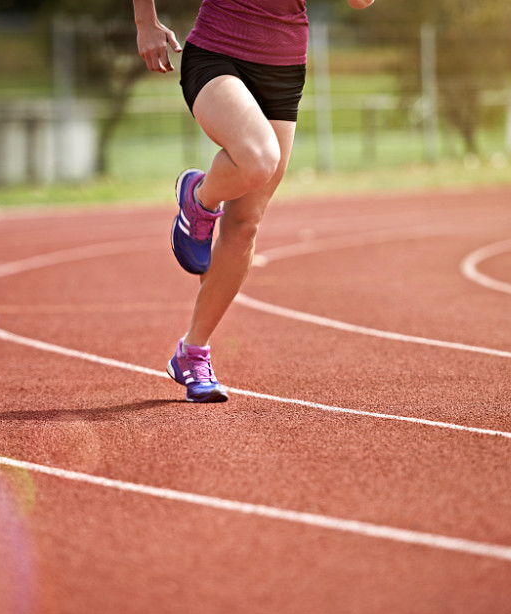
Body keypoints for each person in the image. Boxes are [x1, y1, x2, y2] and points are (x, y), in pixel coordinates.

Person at [133, 0, 375, 402]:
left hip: (283, 66)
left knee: (245, 225)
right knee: (260, 158)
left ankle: (192, 353)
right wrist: (146, 22)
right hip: (217, 53)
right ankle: (199, 198)